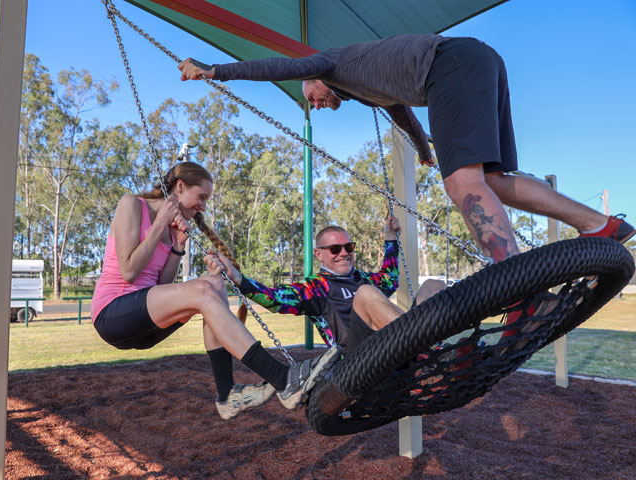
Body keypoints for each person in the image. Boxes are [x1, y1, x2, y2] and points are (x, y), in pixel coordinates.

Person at [177, 34, 635, 268]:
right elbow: (403, 113)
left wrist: (215, 70)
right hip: (480, 61)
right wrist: (424, 151)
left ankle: (514, 280)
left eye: (309, 94)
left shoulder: (330, 62)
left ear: (315, 78)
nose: (314, 101)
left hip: (449, 67)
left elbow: (279, 66)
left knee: (464, 184)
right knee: (493, 180)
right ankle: (600, 224)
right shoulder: (368, 81)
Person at [90, 161, 340, 420]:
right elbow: (129, 272)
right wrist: (158, 225)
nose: (203, 206)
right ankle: (282, 378)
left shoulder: (169, 228)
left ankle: (226, 393)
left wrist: (177, 246)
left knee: (213, 284)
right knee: (202, 289)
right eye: (201, 197)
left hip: (143, 326)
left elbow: (158, 290)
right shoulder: (132, 204)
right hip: (112, 314)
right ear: (180, 186)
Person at [205, 216, 446, 354]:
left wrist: (390, 239)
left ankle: (430, 349)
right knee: (367, 294)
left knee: (434, 286)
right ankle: (426, 351)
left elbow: (390, 280)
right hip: (361, 358)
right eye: (334, 249)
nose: (344, 253)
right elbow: (276, 299)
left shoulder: (362, 278)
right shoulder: (316, 287)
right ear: (319, 255)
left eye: (348, 247)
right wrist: (239, 279)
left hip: (396, 344)